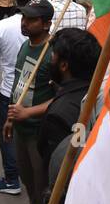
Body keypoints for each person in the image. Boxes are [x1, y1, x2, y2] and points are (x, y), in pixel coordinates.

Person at [5, 0, 56, 204]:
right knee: (26, 178)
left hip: (39, 132)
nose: (24, 23)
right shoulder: (26, 46)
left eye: (31, 19)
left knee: (41, 182)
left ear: (46, 24)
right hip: (20, 129)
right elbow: (20, 84)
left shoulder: (52, 54)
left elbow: (62, 99)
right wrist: (12, 117)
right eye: (23, 17)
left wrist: (28, 112)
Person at [0, 0, 39, 197]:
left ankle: (11, 179)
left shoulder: (3, 26)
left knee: (7, 135)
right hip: (35, 95)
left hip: (9, 92)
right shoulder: (46, 26)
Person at [38, 28, 99, 174]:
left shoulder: (59, 114)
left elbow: (56, 165)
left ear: (64, 65)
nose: (50, 59)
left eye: (53, 55)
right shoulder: (96, 94)